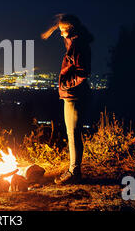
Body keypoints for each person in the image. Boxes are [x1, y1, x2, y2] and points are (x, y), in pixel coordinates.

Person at [41, 13, 93, 184]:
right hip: (72, 94)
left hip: (74, 96)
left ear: (70, 30)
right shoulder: (75, 41)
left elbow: (83, 72)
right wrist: (55, 26)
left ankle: (74, 172)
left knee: (73, 133)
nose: (61, 34)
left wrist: (66, 84)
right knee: (73, 133)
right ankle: (73, 170)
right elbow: (64, 26)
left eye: (63, 31)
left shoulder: (77, 46)